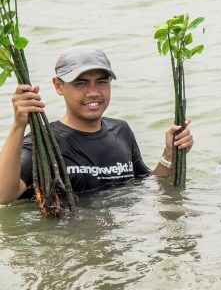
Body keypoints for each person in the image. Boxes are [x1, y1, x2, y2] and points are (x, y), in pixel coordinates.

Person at [0, 47, 193, 204]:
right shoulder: (44, 141)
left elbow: (148, 185)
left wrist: (169, 154)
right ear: (58, 86)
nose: (93, 92)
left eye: (101, 82)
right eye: (81, 83)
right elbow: (4, 196)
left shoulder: (121, 131)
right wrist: (19, 125)